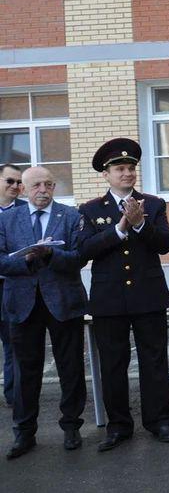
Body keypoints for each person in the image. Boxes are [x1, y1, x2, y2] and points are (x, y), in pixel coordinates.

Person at [78, 138, 169, 451]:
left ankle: (159, 421)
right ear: (106, 175)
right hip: (109, 299)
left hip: (148, 295)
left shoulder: (154, 204)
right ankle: (119, 426)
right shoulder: (91, 209)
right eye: (120, 169)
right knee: (113, 365)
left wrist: (139, 225)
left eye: (131, 168)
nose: (127, 173)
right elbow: (85, 250)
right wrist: (120, 228)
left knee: (155, 361)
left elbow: (164, 244)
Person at [0, 166, 88, 459]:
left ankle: (72, 427)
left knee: (70, 366)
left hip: (64, 302)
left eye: (48, 184)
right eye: (36, 185)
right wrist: (27, 261)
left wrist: (51, 254)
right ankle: (24, 433)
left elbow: (79, 258)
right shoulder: (7, 219)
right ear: (23, 190)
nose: (43, 190)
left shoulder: (71, 216)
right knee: (26, 371)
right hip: (22, 303)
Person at [0, 163, 26, 407]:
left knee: (12, 344)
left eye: (19, 182)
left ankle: (14, 396)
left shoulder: (25, 211)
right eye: (10, 181)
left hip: (12, 287)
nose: (16, 186)